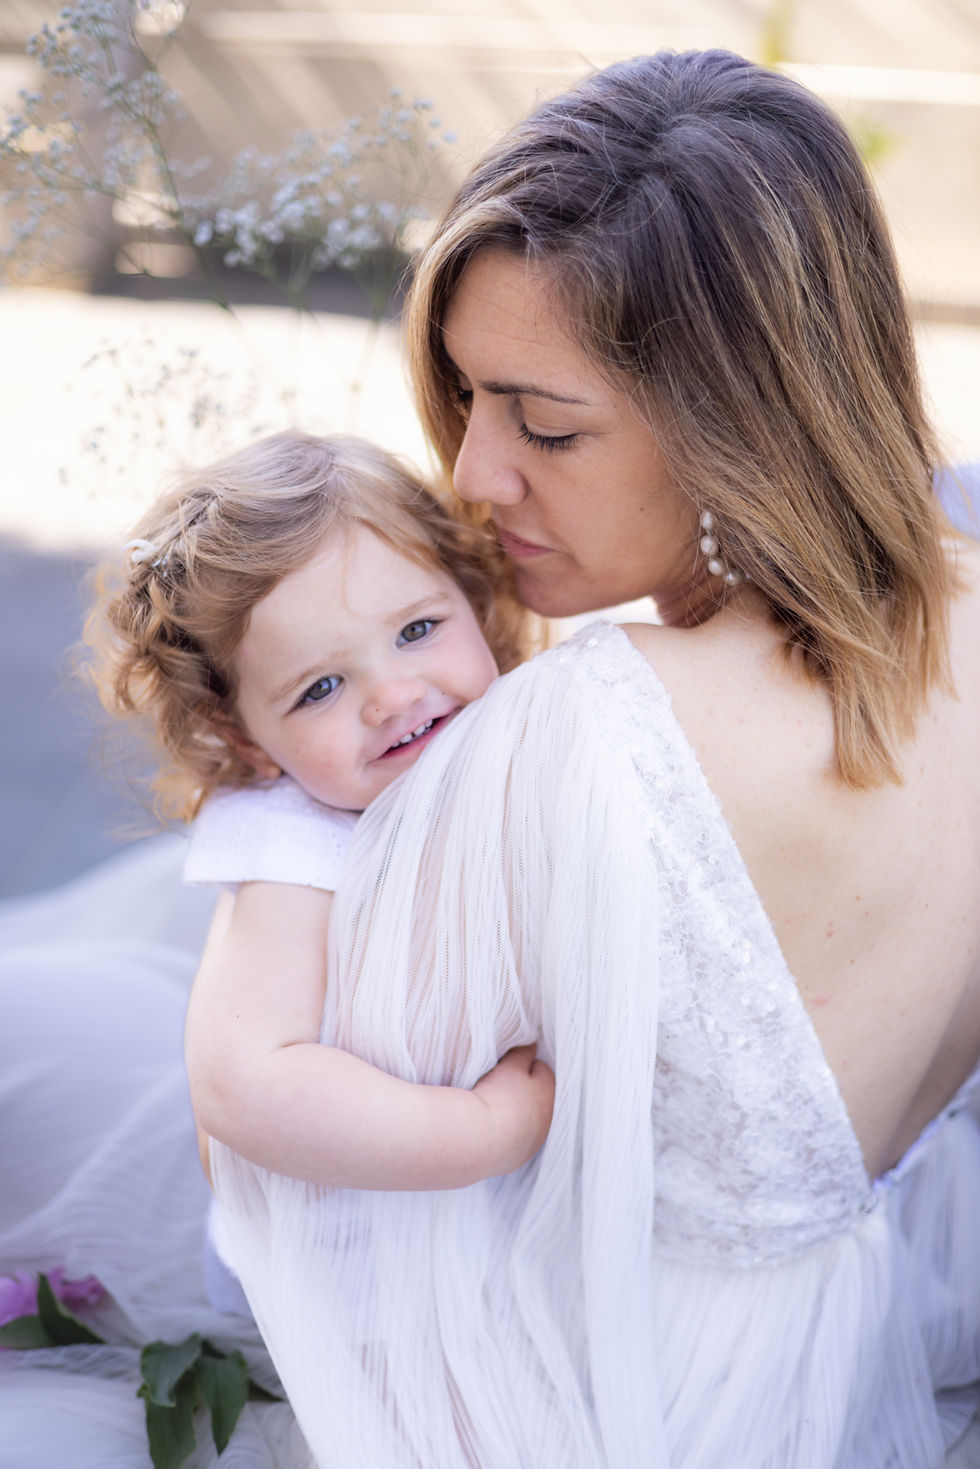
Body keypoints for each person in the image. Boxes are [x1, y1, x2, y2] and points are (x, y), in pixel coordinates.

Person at [1, 46, 979, 1469]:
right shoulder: (960, 570)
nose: (469, 475)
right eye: (468, 396)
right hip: (849, 1306)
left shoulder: (588, 731)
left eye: (548, 424)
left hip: (563, 1360)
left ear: (739, 417)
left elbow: (280, 1175)